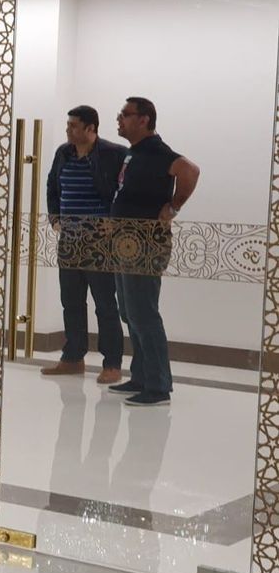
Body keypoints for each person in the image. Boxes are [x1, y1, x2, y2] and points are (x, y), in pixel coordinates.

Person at [109, 97, 200, 407]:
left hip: (145, 244)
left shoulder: (157, 151)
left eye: (125, 114)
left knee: (143, 312)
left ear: (144, 119)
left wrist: (173, 207)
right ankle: (141, 376)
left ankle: (158, 385)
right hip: (126, 242)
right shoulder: (134, 153)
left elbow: (190, 170)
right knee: (129, 311)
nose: (119, 119)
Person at [40, 105, 127, 384]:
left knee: (105, 303)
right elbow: (52, 187)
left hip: (100, 242)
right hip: (70, 241)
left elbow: (125, 190)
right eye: (68, 125)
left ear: (91, 128)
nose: (68, 130)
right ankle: (73, 357)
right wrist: (55, 218)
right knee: (71, 301)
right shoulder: (63, 153)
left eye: (74, 126)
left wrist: (115, 221)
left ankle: (112, 363)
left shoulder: (114, 154)